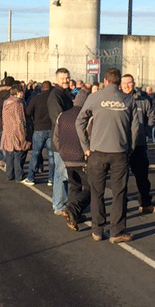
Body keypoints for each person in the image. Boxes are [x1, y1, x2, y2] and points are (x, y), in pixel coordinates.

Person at [76, 68, 139, 243]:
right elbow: (135, 128)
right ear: (119, 82)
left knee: (97, 192)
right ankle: (116, 232)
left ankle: (97, 229)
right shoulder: (128, 100)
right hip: (119, 152)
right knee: (119, 193)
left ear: (104, 80)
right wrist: (130, 148)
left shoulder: (95, 97)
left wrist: (85, 146)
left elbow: (80, 120)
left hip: (97, 152)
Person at [121, 74, 155, 214]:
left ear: (134, 83)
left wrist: (146, 131)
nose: (127, 85)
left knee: (142, 177)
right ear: (120, 84)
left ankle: (146, 204)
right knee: (121, 178)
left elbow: (151, 117)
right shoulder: (118, 100)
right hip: (122, 146)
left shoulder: (143, 101)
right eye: (125, 83)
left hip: (139, 145)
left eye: (130, 82)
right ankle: (121, 205)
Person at [53, 89, 90, 231]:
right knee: (91, 188)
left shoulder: (62, 116)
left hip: (66, 158)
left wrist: (62, 151)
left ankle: (74, 217)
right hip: (82, 158)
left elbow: (56, 137)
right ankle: (72, 209)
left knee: (74, 186)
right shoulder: (86, 116)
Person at [47, 68, 74, 214]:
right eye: (63, 78)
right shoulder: (55, 96)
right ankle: (59, 204)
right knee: (61, 174)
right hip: (61, 141)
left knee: (62, 173)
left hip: (65, 140)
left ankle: (59, 201)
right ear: (56, 79)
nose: (65, 80)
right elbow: (58, 119)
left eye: (67, 78)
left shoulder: (65, 94)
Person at [25, 80, 54, 186]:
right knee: (51, 156)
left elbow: (28, 112)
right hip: (51, 128)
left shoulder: (36, 98)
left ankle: (31, 177)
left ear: (42, 88)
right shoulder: (53, 99)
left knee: (35, 154)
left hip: (38, 128)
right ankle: (51, 179)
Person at [0, 84, 31, 182]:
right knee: (19, 153)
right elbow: (20, 120)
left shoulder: (6, 102)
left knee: (10, 154)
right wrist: (24, 133)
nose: (23, 94)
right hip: (17, 131)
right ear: (18, 93)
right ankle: (19, 175)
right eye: (21, 92)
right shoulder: (19, 103)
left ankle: (9, 174)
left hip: (7, 130)